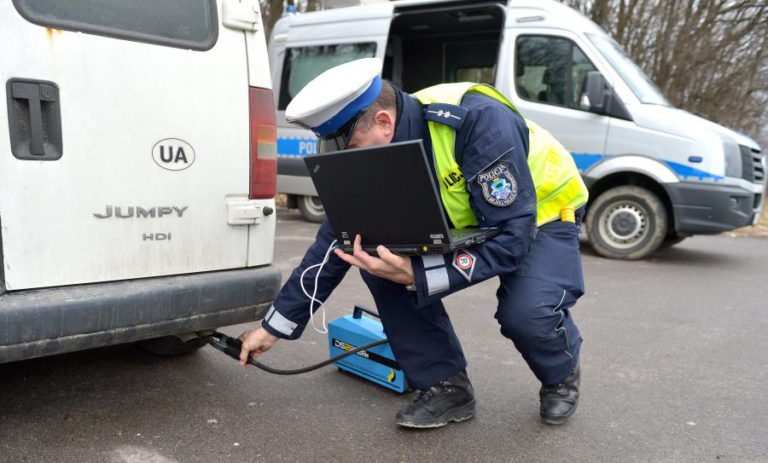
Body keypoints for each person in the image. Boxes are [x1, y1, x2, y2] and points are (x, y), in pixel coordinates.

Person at [239, 58, 589, 428]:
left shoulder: (479, 122)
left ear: (384, 123)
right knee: (378, 260)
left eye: (350, 145)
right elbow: (336, 239)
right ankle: (446, 386)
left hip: (542, 214)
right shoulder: (379, 147)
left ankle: (561, 374)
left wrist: (418, 275)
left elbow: (512, 238)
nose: (346, 158)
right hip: (469, 219)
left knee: (526, 314)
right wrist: (274, 326)